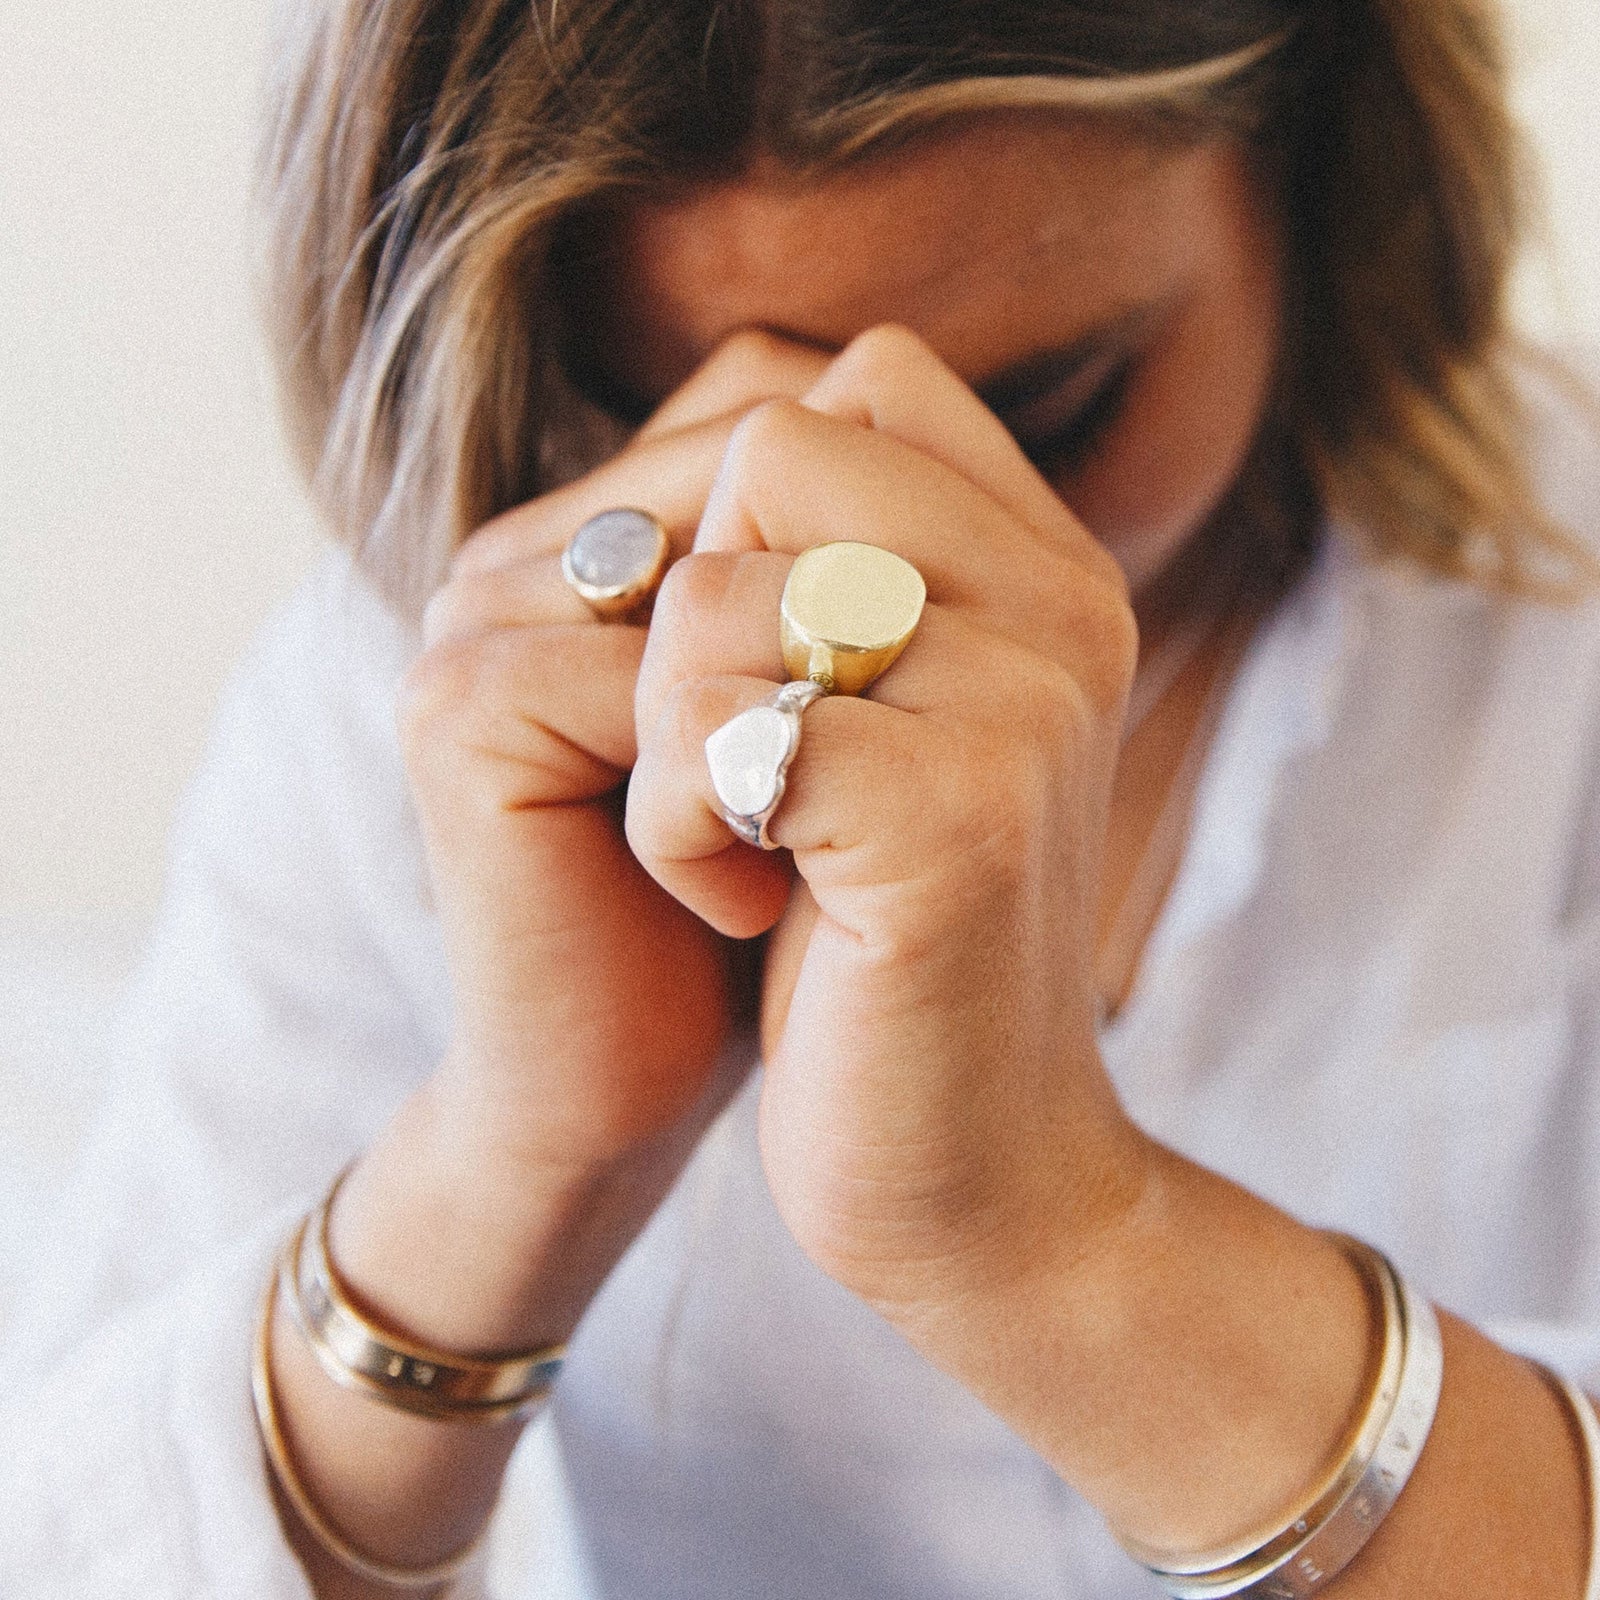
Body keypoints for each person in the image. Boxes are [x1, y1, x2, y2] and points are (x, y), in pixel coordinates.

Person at [5, 0, 1600, 1595]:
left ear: (1320, 157)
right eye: (683, 413)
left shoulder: (1564, 647)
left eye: (1051, 408)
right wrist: (517, 1155)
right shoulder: (410, 727)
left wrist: (1056, 1240)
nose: (912, 532)